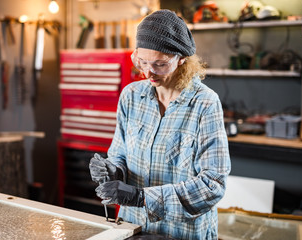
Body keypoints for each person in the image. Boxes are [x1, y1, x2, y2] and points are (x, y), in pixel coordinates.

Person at [89, 9, 231, 240]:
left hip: (182, 233)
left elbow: (212, 185)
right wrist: (114, 170)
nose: (148, 72)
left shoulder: (204, 103)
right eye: (142, 62)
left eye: (160, 64)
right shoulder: (131, 96)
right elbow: (120, 153)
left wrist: (141, 197)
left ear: (181, 59)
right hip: (133, 228)